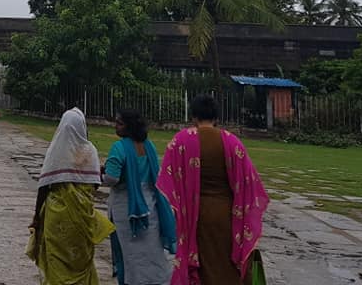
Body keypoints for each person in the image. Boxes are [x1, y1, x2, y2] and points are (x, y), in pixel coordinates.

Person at [156, 94, 269, 285]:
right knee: (225, 265)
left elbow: (168, 178)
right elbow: (250, 182)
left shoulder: (181, 140)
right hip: (226, 216)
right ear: (216, 117)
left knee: (201, 268)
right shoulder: (232, 142)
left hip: (195, 216)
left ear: (193, 116)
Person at [28, 108, 114, 285]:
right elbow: (95, 185)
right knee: (80, 258)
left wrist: (36, 216)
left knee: (56, 260)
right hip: (82, 217)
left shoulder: (56, 151)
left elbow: (44, 186)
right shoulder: (90, 151)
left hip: (56, 218)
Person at [103, 109, 175, 285]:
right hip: (149, 206)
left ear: (129, 127)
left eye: (119, 123)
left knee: (128, 255)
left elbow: (112, 179)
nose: (115, 126)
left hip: (126, 209)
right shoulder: (149, 146)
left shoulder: (119, 148)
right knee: (152, 251)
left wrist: (100, 176)